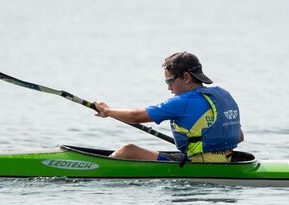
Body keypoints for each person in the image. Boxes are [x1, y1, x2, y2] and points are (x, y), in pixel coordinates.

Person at [94, 52, 243, 162]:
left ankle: (93, 168)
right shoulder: (223, 95)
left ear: (186, 77)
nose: (169, 88)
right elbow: (239, 136)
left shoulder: (182, 102)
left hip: (198, 165)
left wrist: (108, 111)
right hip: (227, 161)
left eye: (169, 82)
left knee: (128, 150)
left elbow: (135, 116)